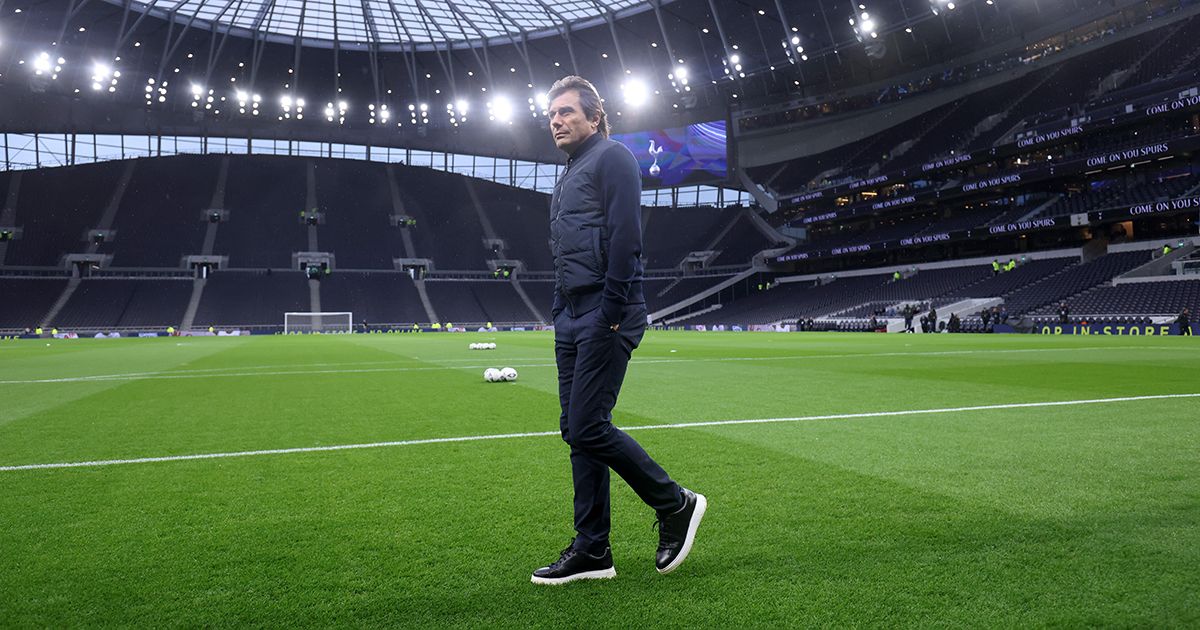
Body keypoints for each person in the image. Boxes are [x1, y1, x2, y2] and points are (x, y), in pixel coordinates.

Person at [532, 76, 706, 586]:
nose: (556, 121)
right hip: (572, 316)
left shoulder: (614, 159)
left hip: (609, 312)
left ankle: (675, 503)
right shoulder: (566, 176)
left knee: (587, 425)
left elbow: (627, 238)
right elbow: (565, 250)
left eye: (565, 112)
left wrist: (610, 309)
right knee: (577, 433)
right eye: (551, 115)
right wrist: (560, 308)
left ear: (594, 116)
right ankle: (592, 549)